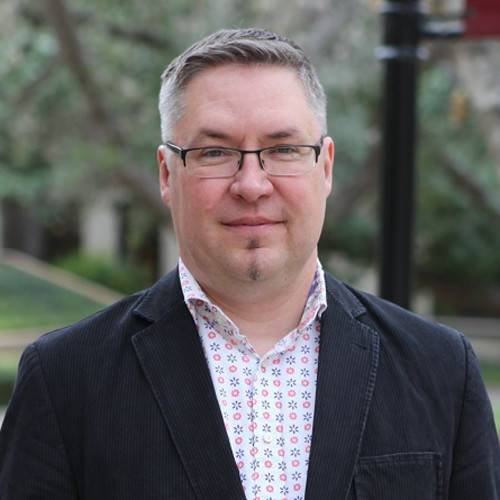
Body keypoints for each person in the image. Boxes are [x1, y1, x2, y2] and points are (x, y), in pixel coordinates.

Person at [0, 28, 498, 500]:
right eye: (215, 152)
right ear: (167, 173)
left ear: (324, 167)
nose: (252, 184)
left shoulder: (440, 371)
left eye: (283, 149)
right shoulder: (64, 379)